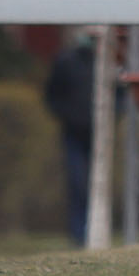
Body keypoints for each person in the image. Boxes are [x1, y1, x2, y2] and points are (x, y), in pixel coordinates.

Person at [45, 33, 95, 246]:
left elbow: (120, 94)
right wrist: (67, 116)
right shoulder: (66, 61)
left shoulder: (105, 62)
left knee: (94, 184)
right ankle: (78, 235)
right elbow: (52, 95)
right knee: (77, 183)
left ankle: (94, 230)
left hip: (100, 134)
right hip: (73, 133)